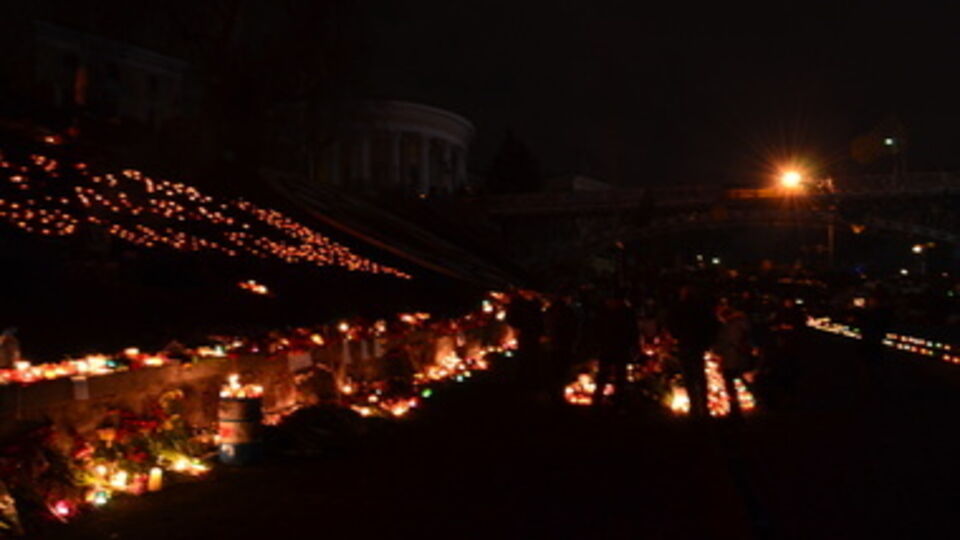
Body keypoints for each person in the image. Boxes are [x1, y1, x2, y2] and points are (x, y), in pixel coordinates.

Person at [665, 285, 717, 418]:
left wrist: (677, 335)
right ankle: (702, 406)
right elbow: (710, 324)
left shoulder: (680, 308)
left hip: (687, 343)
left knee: (691, 376)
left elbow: (672, 324)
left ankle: (696, 406)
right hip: (695, 344)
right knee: (698, 376)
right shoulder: (700, 308)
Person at [591, 291, 638, 409]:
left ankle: (613, 401)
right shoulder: (620, 313)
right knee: (608, 375)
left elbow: (632, 332)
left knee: (616, 376)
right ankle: (603, 401)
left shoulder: (620, 314)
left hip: (616, 348)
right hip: (613, 348)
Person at [714, 305, 755, 419]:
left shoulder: (730, 326)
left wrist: (718, 351)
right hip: (741, 358)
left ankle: (735, 408)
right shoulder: (742, 323)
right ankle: (756, 399)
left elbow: (727, 342)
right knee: (744, 380)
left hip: (732, 358)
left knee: (730, 383)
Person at [505, 288, 545, 392]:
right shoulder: (517, 303)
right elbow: (511, 319)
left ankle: (533, 381)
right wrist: (518, 328)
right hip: (524, 333)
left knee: (534, 357)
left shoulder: (536, 303)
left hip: (534, 334)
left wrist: (542, 332)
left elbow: (540, 318)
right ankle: (522, 382)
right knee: (525, 357)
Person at [543, 291, 579, 405]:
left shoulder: (549, 311)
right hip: (564, 345)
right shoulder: (568, 312)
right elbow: (573, 329)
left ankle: (553, 394)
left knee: (553, 370)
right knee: (561, 371)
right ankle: (558, 394)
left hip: (554, 345)